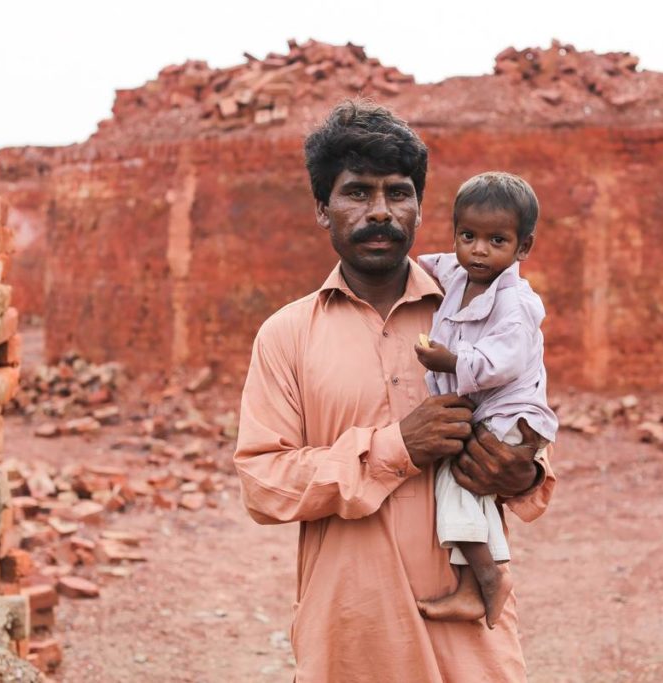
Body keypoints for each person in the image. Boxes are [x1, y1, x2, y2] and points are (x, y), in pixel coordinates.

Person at [233, 100, 555, 682]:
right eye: (356, 192)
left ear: (419, 207)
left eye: (398, 193)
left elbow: (527, 430)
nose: (379, 211)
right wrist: (396, 448)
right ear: (322, 208)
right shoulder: (286, 335)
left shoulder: (485, 313)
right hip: (352, 636)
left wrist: (523, 472)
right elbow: (263, 484)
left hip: (469, 641)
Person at [414, 172, 558, 630]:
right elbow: (428, 265)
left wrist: (451, 361)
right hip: (489, 409)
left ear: (523, 248)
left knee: (459, 480)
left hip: (511, 409)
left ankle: (487, 579)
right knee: (471, 492)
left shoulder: (516, 302)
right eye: (467, 236)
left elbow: (504, 361)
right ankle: (484, 581)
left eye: (496, 240)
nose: (478, 250)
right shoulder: (459, 274)